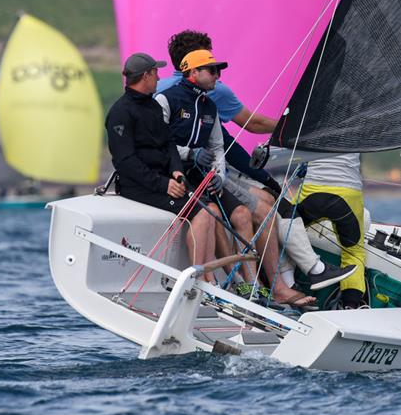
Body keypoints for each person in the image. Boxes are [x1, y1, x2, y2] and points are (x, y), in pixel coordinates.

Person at [157, 30, 355, 291]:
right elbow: (254, 124)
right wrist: (298, 129)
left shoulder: (168, 90)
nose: (217, 73)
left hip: (206, 170)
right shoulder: (198, 93)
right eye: (211, 65)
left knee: (262, 203)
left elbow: (220, 143)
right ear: (193, 67)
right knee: (268, 204)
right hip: (189, 174)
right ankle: (286, 280)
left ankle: (283, 279)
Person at [105, 52, 216, 271]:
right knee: (202, 212)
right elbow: (125, 162)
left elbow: (169, 145)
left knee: (209, 209)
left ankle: (209, 276)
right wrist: (163, 184)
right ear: (146, 75)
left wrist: (176, 172)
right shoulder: (120, 113)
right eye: (156, 72)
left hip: (164, 181)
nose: (158, 77)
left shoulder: (153, 106)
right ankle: (199, 278)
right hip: (138, 187)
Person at [295, 153, 367, 309]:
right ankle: (351, 305)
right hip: (349, 193)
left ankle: (285, 287)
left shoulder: (312, 126)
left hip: (312, 189)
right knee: (354, 252)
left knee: (283, 228)